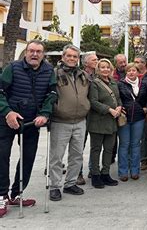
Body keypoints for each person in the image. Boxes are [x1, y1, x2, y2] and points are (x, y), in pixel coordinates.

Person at [0, 40, 57, 218]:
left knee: (28, 158)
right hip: (8, 119)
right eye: (31, 51)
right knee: (2, 156)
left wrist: (46, 113)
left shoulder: (48, 71)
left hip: (33, 121)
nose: (34, 54)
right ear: (26, 52)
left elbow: (52, 94)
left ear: (43, 54)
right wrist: (7, 112)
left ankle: (17, 193)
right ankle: (1, 195)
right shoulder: (13, 68)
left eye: (38, 51)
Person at [48, 45, 90, 201]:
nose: (72, 59)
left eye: (75, 56)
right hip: (60, 121)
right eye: (69, 56)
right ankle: (54, 186)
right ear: (63, 57)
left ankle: (70, 183)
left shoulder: (84, 75)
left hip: (80, 121)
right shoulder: (54, 74)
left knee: (77, 155)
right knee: (57, 157)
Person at [88, 59, 122, 189]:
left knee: (109, 149)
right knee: (96, 149)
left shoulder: (114, 83)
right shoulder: (95, 84)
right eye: (102, 67)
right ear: (98, 69)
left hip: (111, 122)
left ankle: (105, 173)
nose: (105, 70)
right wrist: (109, 110)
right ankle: (95, 174)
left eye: (107, 67)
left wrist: (119, 107)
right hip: (98, 121)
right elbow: (93, 101)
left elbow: (118, 98)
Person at [117, 63, 147, 181]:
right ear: (126, 72)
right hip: (124, 118)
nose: (131, 72)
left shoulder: (144, 84)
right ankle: (123, 172)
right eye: (129, 70)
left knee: (136, 144)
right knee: (124, 144)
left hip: (139, 118)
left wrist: (146, 107)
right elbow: (117, 98)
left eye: (133, 70)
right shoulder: (120, 84)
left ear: (138, 72)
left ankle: (135, 170)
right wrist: (120, 106)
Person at [76, 51, 98, 185]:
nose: (97, 61)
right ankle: (77, 173)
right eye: (94, 60)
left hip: (96, 115)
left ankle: (93, 169)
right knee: (79, 146)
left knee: (96, 145)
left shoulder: (99, 75)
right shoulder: (79, 76)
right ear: (86, 63)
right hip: (82, 115)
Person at [133, 55, 147, 172]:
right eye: (135, 62)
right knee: (134, 137)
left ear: (144, 64)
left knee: (145, 136)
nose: (136, 64)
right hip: (133, 110)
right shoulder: (132, 76)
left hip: (146, 111)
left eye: (138, 62)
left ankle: (144, 159)